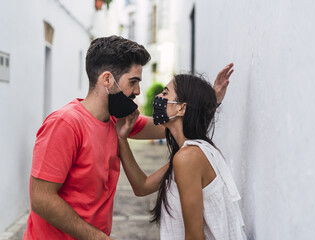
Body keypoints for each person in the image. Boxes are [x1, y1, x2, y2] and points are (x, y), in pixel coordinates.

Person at [23, 35, 233, 240]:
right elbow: (41, 198)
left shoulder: (119, 122)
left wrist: (208, 101)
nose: (138, 91)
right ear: (107, 79)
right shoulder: (66, 124)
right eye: (133, 82)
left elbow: (177, 123)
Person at [116, 74, 247, 239]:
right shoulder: (191, 154)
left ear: (181, 108)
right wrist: (122, 138)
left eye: (165, 94)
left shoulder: (188, 158)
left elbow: (194, 236)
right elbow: (142, 186)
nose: (158, 97)